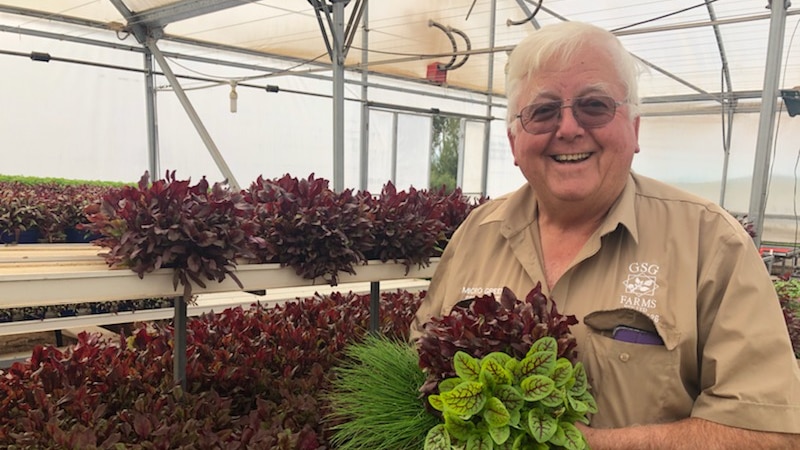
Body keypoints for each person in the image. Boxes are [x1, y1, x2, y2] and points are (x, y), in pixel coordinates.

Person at [411, 21, 800, 449]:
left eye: (593, 106)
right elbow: (421, 372)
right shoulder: (476, 235)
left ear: (634, 129)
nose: (569, 128)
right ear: (514, 141)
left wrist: (589, 444)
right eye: (542, 111)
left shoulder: (710, 242)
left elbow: (772, 432)